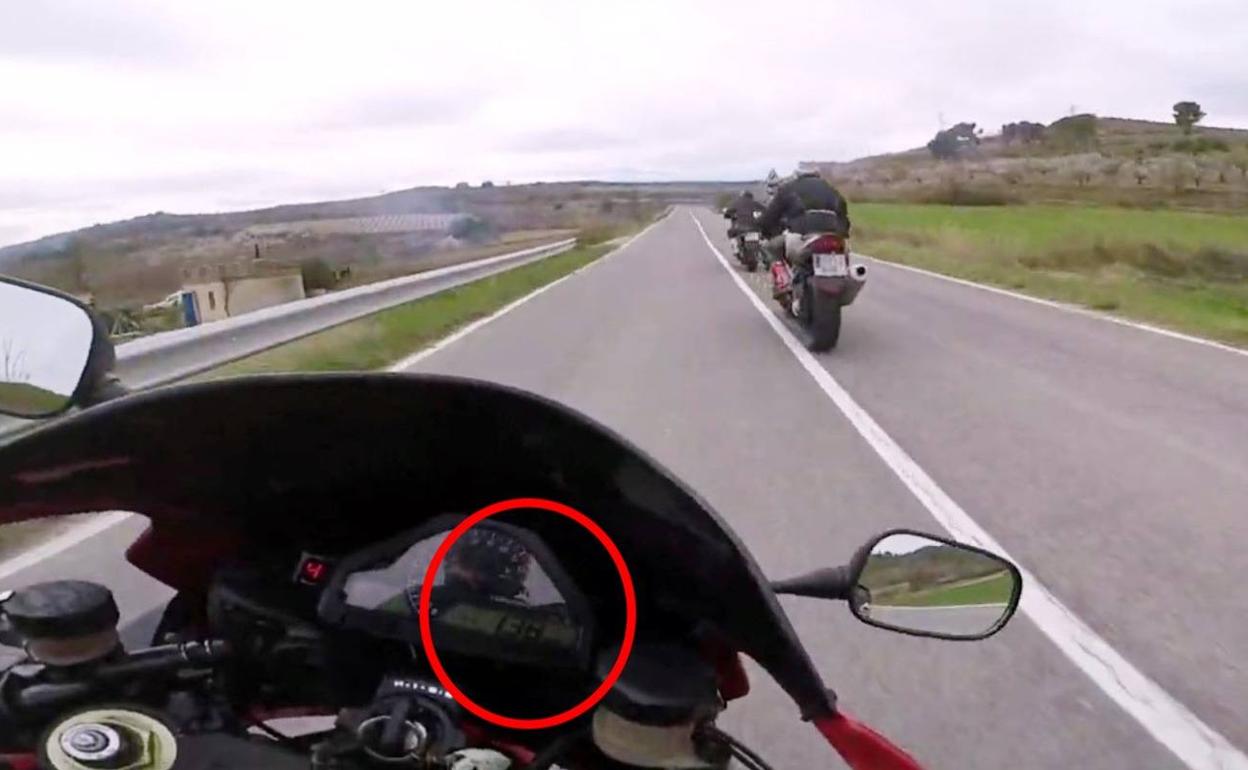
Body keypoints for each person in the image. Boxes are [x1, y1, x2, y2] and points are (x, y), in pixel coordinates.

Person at [756, 169, 852, 267]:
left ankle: (783, 276)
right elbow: (844, 219)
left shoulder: (789, 188)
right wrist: (842, 233)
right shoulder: (831, 190)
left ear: (797, 176)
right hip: (833, 237)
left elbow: (769, 217)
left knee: (769, 248)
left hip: (801, 236)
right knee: (844, 260)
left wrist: (765, 231)